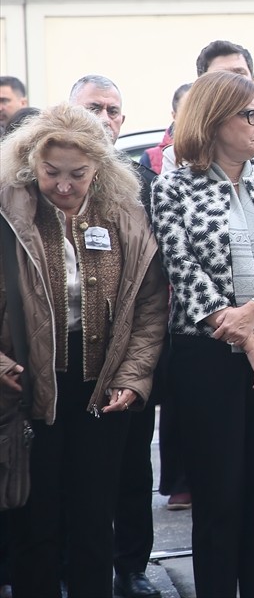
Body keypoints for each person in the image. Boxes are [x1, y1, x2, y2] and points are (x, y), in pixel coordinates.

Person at [151, 70, 254, 597]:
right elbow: (182, 271)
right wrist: (247, 338)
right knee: (220, 496)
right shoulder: (173, 186)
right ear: (214, 120)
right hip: (210, 361)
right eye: (251, 115)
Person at [0, 103, 167, 597]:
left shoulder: (124, 215)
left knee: (96, 521)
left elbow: (150, 305)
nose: (65, 186)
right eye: (52, 173)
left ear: (101, 167)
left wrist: (133, 377)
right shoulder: (8, 211)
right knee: (38, 520)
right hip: (29, 385)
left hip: (103, 389)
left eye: (79, 174)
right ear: (32, 163)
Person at [64, 75, 165, 598]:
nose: (105, 119)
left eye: (114, 110)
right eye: (93, 108)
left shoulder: (140, 184)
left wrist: (137, 364)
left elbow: (155, 283)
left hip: (127, 354)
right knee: (68, 478)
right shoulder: (40, 183)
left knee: (131, 469)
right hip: (62, 356)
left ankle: (132, 565)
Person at [161, 40, 254, 172]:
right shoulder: (177, 156)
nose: (233, 83)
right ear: (203, 87)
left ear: (253, 81)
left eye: (239, 73)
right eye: (221, 76)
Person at [141, 83, 192, 175]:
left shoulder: (221, 153)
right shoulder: (151, 158)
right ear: (174, 116)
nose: (195, 117)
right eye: (188, 111)